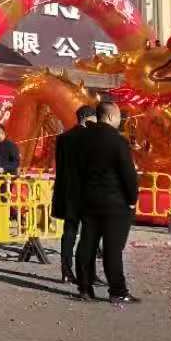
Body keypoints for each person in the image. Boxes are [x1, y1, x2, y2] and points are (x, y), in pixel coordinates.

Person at [73, 100, 140, 305]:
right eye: (119, 116)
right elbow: (128, 173)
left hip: (88, 199)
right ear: (110, 116)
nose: (120, 120)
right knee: (112, 248)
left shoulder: (82, 139)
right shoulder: (117, 141)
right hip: (115, 202)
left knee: (87, 244)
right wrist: (132, 198)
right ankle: (117, 290)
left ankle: (85, 288)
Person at [52, 104, 97, 284]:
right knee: (89, 233)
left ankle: (66, 270)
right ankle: (88, 271)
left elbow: (60, 166)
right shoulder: (91, 137)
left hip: (67, 191)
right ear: (87, 118)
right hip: (86, 191)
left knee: (69, 231)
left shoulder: (63, 138)